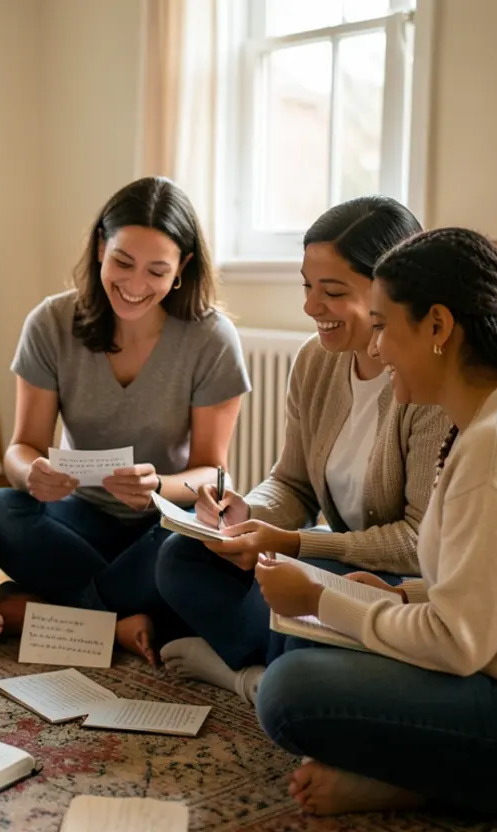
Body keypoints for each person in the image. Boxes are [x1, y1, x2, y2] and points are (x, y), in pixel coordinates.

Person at [252, 227, 497, 822]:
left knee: (290, 692)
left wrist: (321, 598)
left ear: (438, 326)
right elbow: (494, 590)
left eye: (384, 326)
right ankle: (411, 780)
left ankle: (414, 786)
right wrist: (399, 595)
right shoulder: (494, 417)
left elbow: (457, 643)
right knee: (307, 644)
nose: (377, 348)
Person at [155, 196, 447, 702]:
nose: (311, 307)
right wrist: (246, 514)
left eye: (332, 292)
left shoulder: (428, 384)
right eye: (307, 287)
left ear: (390, 292)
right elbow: (292, 483)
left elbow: (416, 544)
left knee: (303, 596)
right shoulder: (316, 360)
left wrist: (296, 544)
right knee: (179, 558)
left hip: (389, 580)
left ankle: (243, 675)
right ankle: (273, 667)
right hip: (330, 553)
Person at [0, 176, 250, 665]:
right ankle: (125, 619)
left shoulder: (212, 338)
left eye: (156, 271)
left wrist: (158, 485)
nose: (135, 285)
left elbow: (212, 472)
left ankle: (47, 615)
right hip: (78, 516)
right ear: (101, 246)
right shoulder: (51, 323)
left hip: (163, 521)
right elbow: (22, 446)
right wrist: (31, 474)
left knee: (188, 546)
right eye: (122, 262)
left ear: (182, 268)